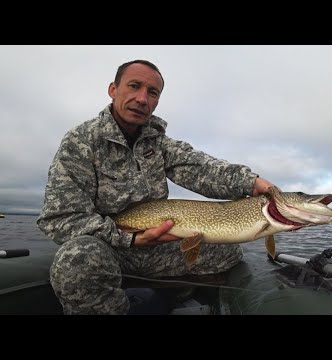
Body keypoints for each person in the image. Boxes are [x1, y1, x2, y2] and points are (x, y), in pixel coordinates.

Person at [37, 59, 275, 315]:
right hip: (109, 246)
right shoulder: (80, 142)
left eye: (152, 92)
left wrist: (250, 181)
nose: (142, 99)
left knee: (229, 253)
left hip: (155, 247)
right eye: (134, 86)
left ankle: (168, 295)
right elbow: (61, 220)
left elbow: (198, 167)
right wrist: (130, 238)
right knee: (77, 261)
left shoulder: (157, 141)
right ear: (113, 90)